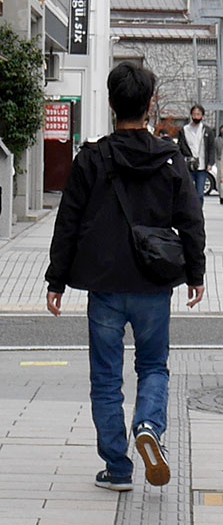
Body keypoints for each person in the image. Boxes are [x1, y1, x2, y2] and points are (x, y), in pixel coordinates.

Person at [44, 62, 206, 492]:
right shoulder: (170, 158)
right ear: (150, 105)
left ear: (112, 103)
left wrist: (56, 279)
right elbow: (190, 219)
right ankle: (149, 425)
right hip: (154, 281)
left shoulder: (92, 158)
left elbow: (69, 221)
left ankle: (117, 467)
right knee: (154, 365)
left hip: (104, 283)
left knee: (106, 377)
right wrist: (196, 272)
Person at [177, 104, 216, 202]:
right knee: (187, 193)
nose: (196, 116)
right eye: (194, 114)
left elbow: (211, 148)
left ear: (202, 116)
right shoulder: (184, 130)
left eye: (198, 114)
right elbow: (180, 147)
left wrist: (210, 163)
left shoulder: (207, 131)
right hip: (188, 165)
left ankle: (198, 213)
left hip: (202, 166)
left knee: (200, 194)